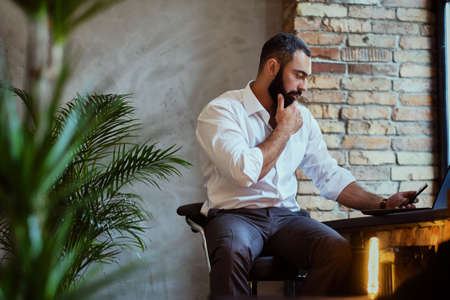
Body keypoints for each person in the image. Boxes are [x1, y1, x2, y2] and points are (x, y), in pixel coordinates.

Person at [195, 33, 418, 297]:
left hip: (285, 217)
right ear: (272, 67)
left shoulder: (304, 119)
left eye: (306, 78)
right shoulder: (222, 112)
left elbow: (329, 175)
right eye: (299, 75)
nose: (304, 87)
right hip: (235, 215)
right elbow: (245, 172)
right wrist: (283, 131)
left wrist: (382, 204)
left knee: (336, 250)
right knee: (232, 251)